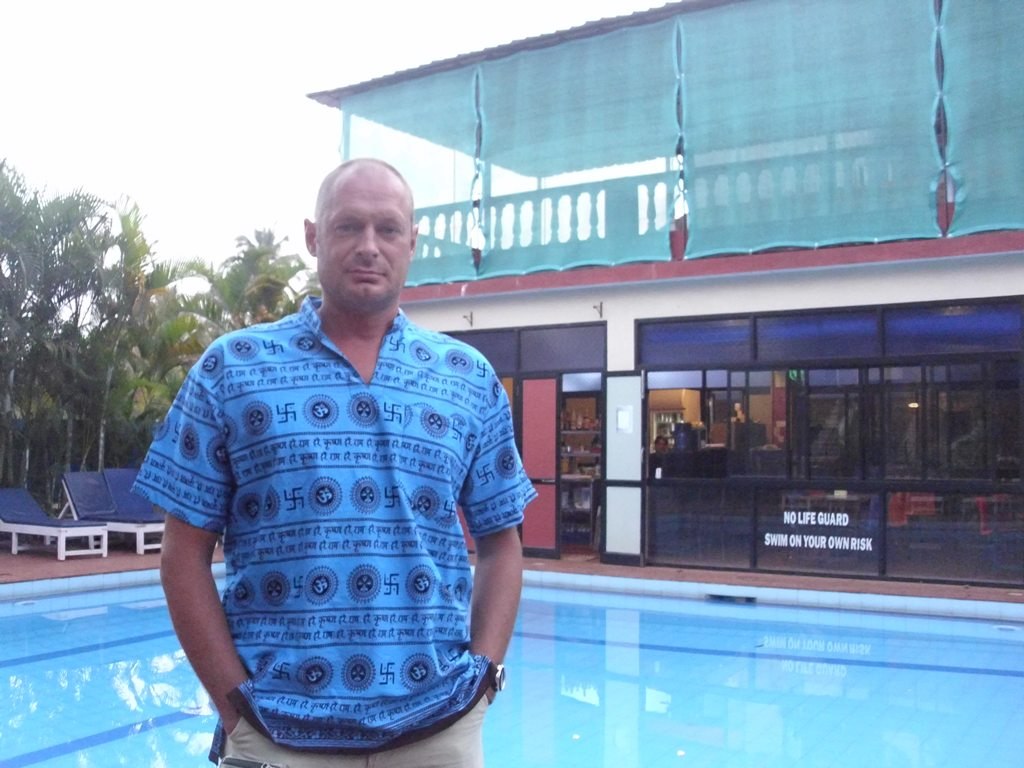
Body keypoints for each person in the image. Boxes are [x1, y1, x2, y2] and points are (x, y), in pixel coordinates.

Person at [133, 158, 536, 767]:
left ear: (411, 243)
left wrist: (484, 678)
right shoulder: (233, 369)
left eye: (388, 229)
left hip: (439, 729)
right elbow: (182, 554)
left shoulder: (467, 378)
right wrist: (233, 705)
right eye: (348, 226)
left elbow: (502, 543)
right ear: (313, 236)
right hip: (277, 731)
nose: (369, 246)